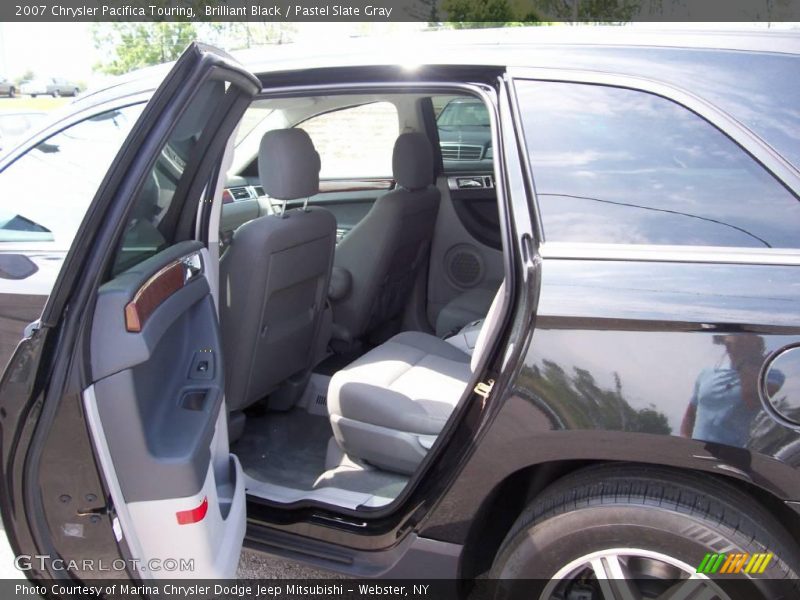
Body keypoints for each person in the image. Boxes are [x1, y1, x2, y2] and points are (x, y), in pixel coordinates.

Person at [680, 333, 785, 447]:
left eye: (746, 338)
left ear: (757, 343)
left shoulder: (772, 375)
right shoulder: (707, 372)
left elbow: (751, 400)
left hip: (737, 455)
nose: (741, 340)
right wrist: (685, 442)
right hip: (697, 453)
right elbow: (690, 414)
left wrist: (744, 363)